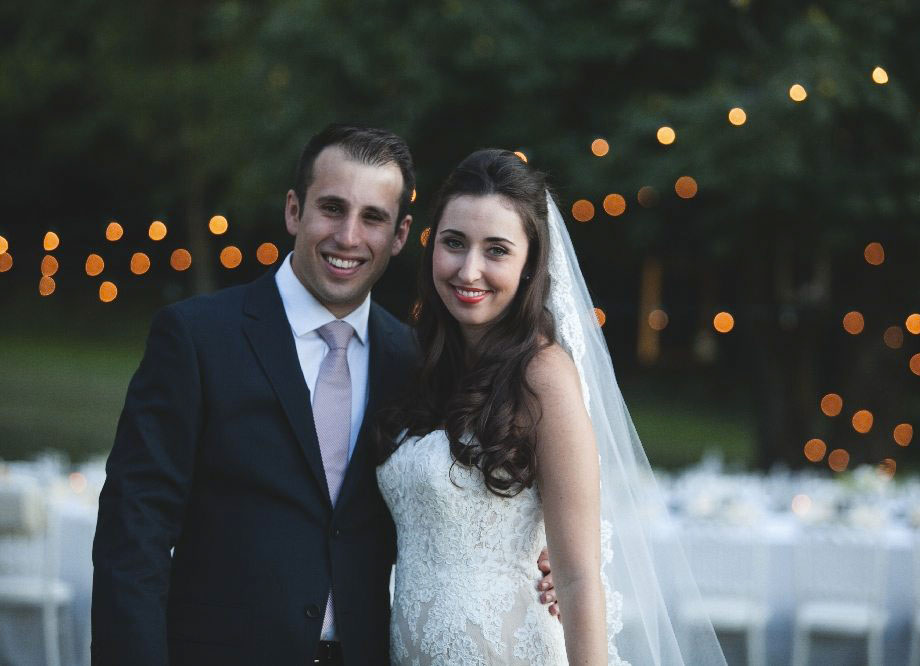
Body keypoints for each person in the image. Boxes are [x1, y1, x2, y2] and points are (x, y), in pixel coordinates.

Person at [91, 125, 558, 666]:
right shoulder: (197, 338)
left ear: (402, 234)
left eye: (373, 218)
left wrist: (533, 555)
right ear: (295, 210)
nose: (348, 236)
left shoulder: (416, 361)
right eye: (332, 208)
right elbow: (134, 537)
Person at [376, 149, 728, 665]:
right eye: (454, 243)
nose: (468, 269)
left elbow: (580, 577)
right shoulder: (423, 364)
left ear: (528, 266)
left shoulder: (542, 376)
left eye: (496, 250)